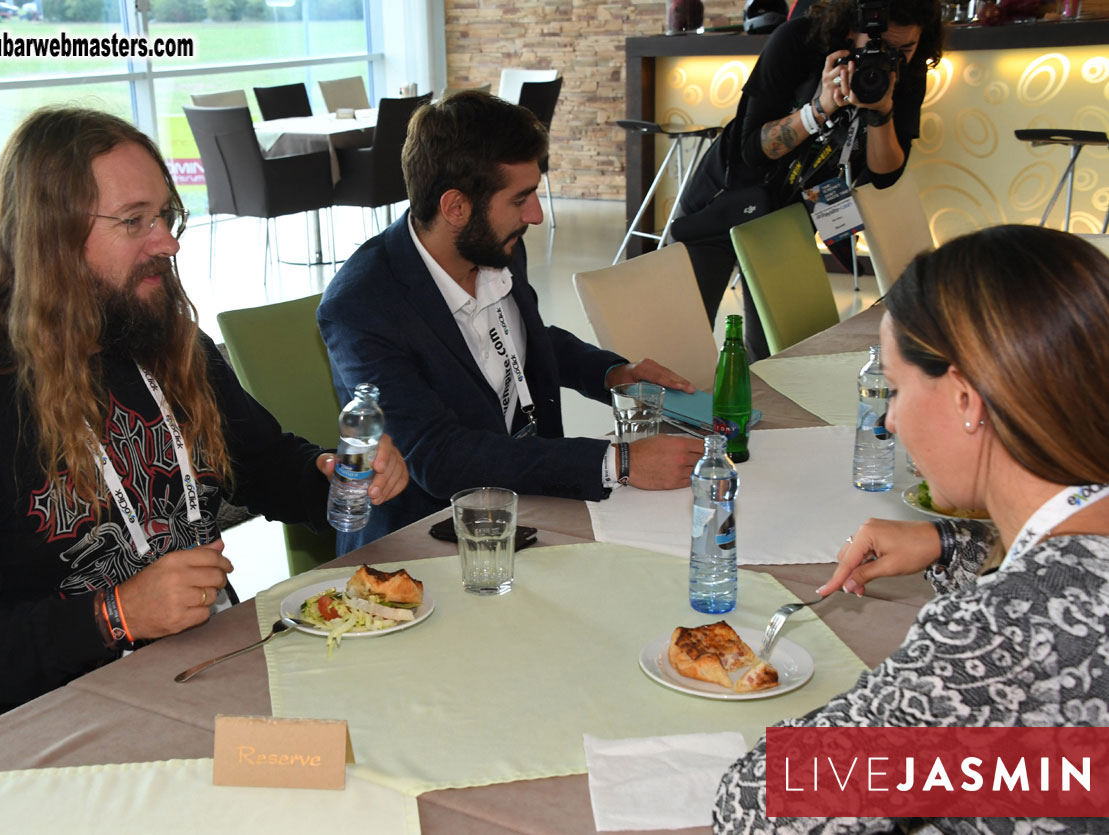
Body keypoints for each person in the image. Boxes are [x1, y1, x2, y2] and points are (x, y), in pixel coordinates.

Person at [0, 107, 408, 738]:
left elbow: (263, 465)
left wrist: (338, 475)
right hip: (59, 735)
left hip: (206, 685)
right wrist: (115, 615)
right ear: (51, 240)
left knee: (380, 744)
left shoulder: (171, 348)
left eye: (166, 217)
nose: (169, 243)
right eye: (135, 222)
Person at [714, 225, 1109, 833]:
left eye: (895, 391)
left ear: (965, 398)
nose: (890, 422)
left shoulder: (1007, 634)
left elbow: (757, 806)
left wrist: (869, 712)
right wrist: (954, 543)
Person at [317, 91, 704, 551]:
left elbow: (530, 339)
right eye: (520, 199)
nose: (536, 215)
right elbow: (440, 457)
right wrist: (616, 462)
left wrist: (612, 373)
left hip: (528, 504)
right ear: (456, 207)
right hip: (428, 541)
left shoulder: (493, 245)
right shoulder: (362, 306)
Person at [670, 0, 943, 361]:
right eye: (878, 48)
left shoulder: (908, 69)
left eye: (905, 49)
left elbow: (884, 175)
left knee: (775, 360)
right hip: (724, 201)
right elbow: (751, 150)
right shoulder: (797, 41)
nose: (890, 58)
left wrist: (882, 113)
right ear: (848, 31)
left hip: (788, 216)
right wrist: (817, 111)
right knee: (677, 347)